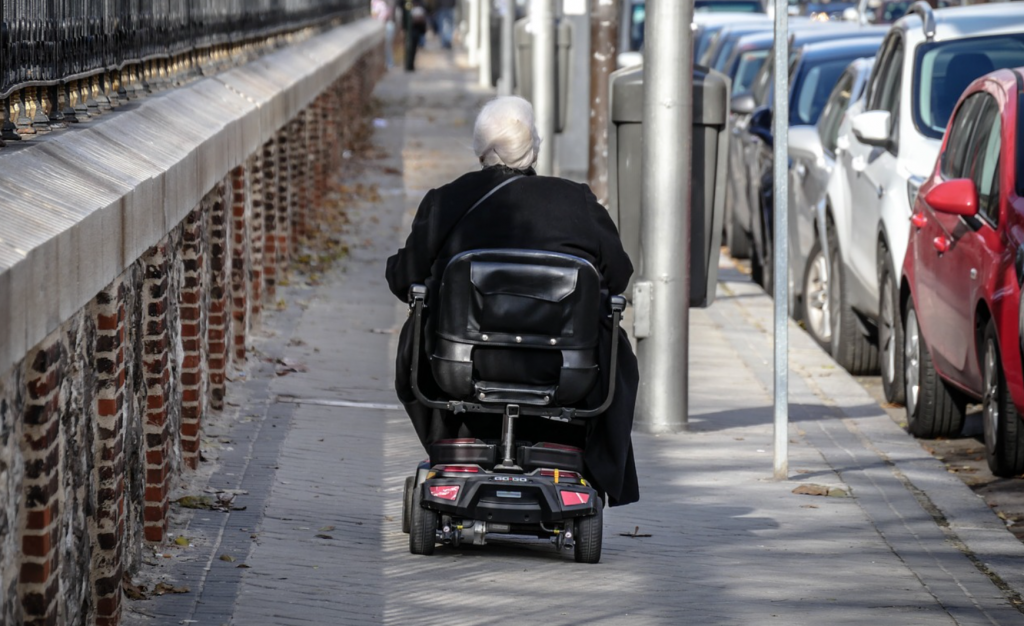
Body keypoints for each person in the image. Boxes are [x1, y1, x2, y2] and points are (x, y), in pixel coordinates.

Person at [385, 96, 640, 507]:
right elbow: (620, 275)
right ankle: (581, 456)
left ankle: (458, 438)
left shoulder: (446, 201)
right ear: (534, 146)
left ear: (480, 149)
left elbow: (402, 280)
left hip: (461, 367)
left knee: (420, 320)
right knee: (613, 337)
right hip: (564, 372)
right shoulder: (578, 202)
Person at [370, 0, 395, 69]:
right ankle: (389, 63)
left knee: (387, 47)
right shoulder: (375, 3)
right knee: (387, 47)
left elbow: (382, 17)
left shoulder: (381, 3)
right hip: (383, 25)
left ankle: (389, 63)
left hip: (386, 25)